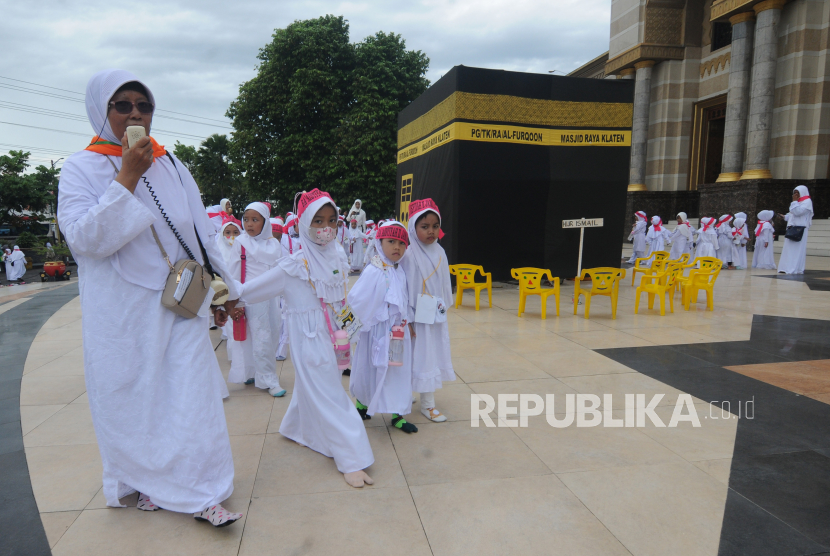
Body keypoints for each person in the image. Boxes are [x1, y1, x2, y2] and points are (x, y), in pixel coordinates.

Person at [57, 69, 242, 526]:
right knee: (132, 398)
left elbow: (201, 230)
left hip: (181, 301)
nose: (135, 113)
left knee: (192, 395)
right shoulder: (80, 166)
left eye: (144, 105)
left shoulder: (172, 163)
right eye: (123, 105)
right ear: (102, 112)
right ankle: (143, 483)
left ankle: (205, 491)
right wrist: (126, 178)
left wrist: (226, 289)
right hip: (121, 313)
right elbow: (83, 239)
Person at [235, 189, 375, 488]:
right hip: (309, 337)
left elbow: (339, 297)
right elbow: (250, 290)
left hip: (335, 334)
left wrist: (351, 327)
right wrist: (221, 291)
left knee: (322, 385)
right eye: (317, 221)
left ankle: (295, 427)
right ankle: (352, 457)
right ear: (304, 224)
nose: (326, 228)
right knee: (330, 394)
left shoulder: (338, 253)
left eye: (332, 220)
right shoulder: (293, 265)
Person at [349, 221, 417, 433]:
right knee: (369, 368)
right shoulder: (374, 270)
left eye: (401, 243)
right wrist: (353, 327)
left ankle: (398, 414)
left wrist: (409, 323)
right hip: (376, 332)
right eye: (391, 242)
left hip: (398, 333)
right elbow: (357, 299)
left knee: (398, 373)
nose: (397, 247)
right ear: (379, 243)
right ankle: (362, 404)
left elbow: (404, 300)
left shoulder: (400, 270)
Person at [401, 198, 455, 422]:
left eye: (435, 226)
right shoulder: (409, 254)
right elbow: (405, 286)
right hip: (415, 316)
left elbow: (444, 283)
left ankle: (427, 401)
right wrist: (408, 316)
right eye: (424, 227)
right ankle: (412, 398)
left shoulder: (440, 251)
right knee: (412, 356)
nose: (431, 231)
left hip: (434, 315)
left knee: (429, 355)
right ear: (413, 227)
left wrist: (443, 307)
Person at [227, 202, 285, 396]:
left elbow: (282, 269)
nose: (249, 224)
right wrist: (232, 301)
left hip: (272, 296)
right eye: (246, 219)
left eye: (255, 220)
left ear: (265, 222)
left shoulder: (274, 244)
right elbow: (233, 272)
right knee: (261, 336)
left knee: (273, 331)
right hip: (251, 296)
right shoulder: (240, 243)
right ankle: (268, 379)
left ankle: (254, 372)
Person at [777, 185, 814, 274]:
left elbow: (798, 212)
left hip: (800, 229)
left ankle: (793, 268)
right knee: (788, 249)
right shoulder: (797, 202)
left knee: (796, 250)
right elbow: (792, 215)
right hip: (792, 228)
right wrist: (784, 217)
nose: (796, 194)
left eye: (798, 192)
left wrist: (794, 202)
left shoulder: (807, 201)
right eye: (795, 192)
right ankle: (785, 267)